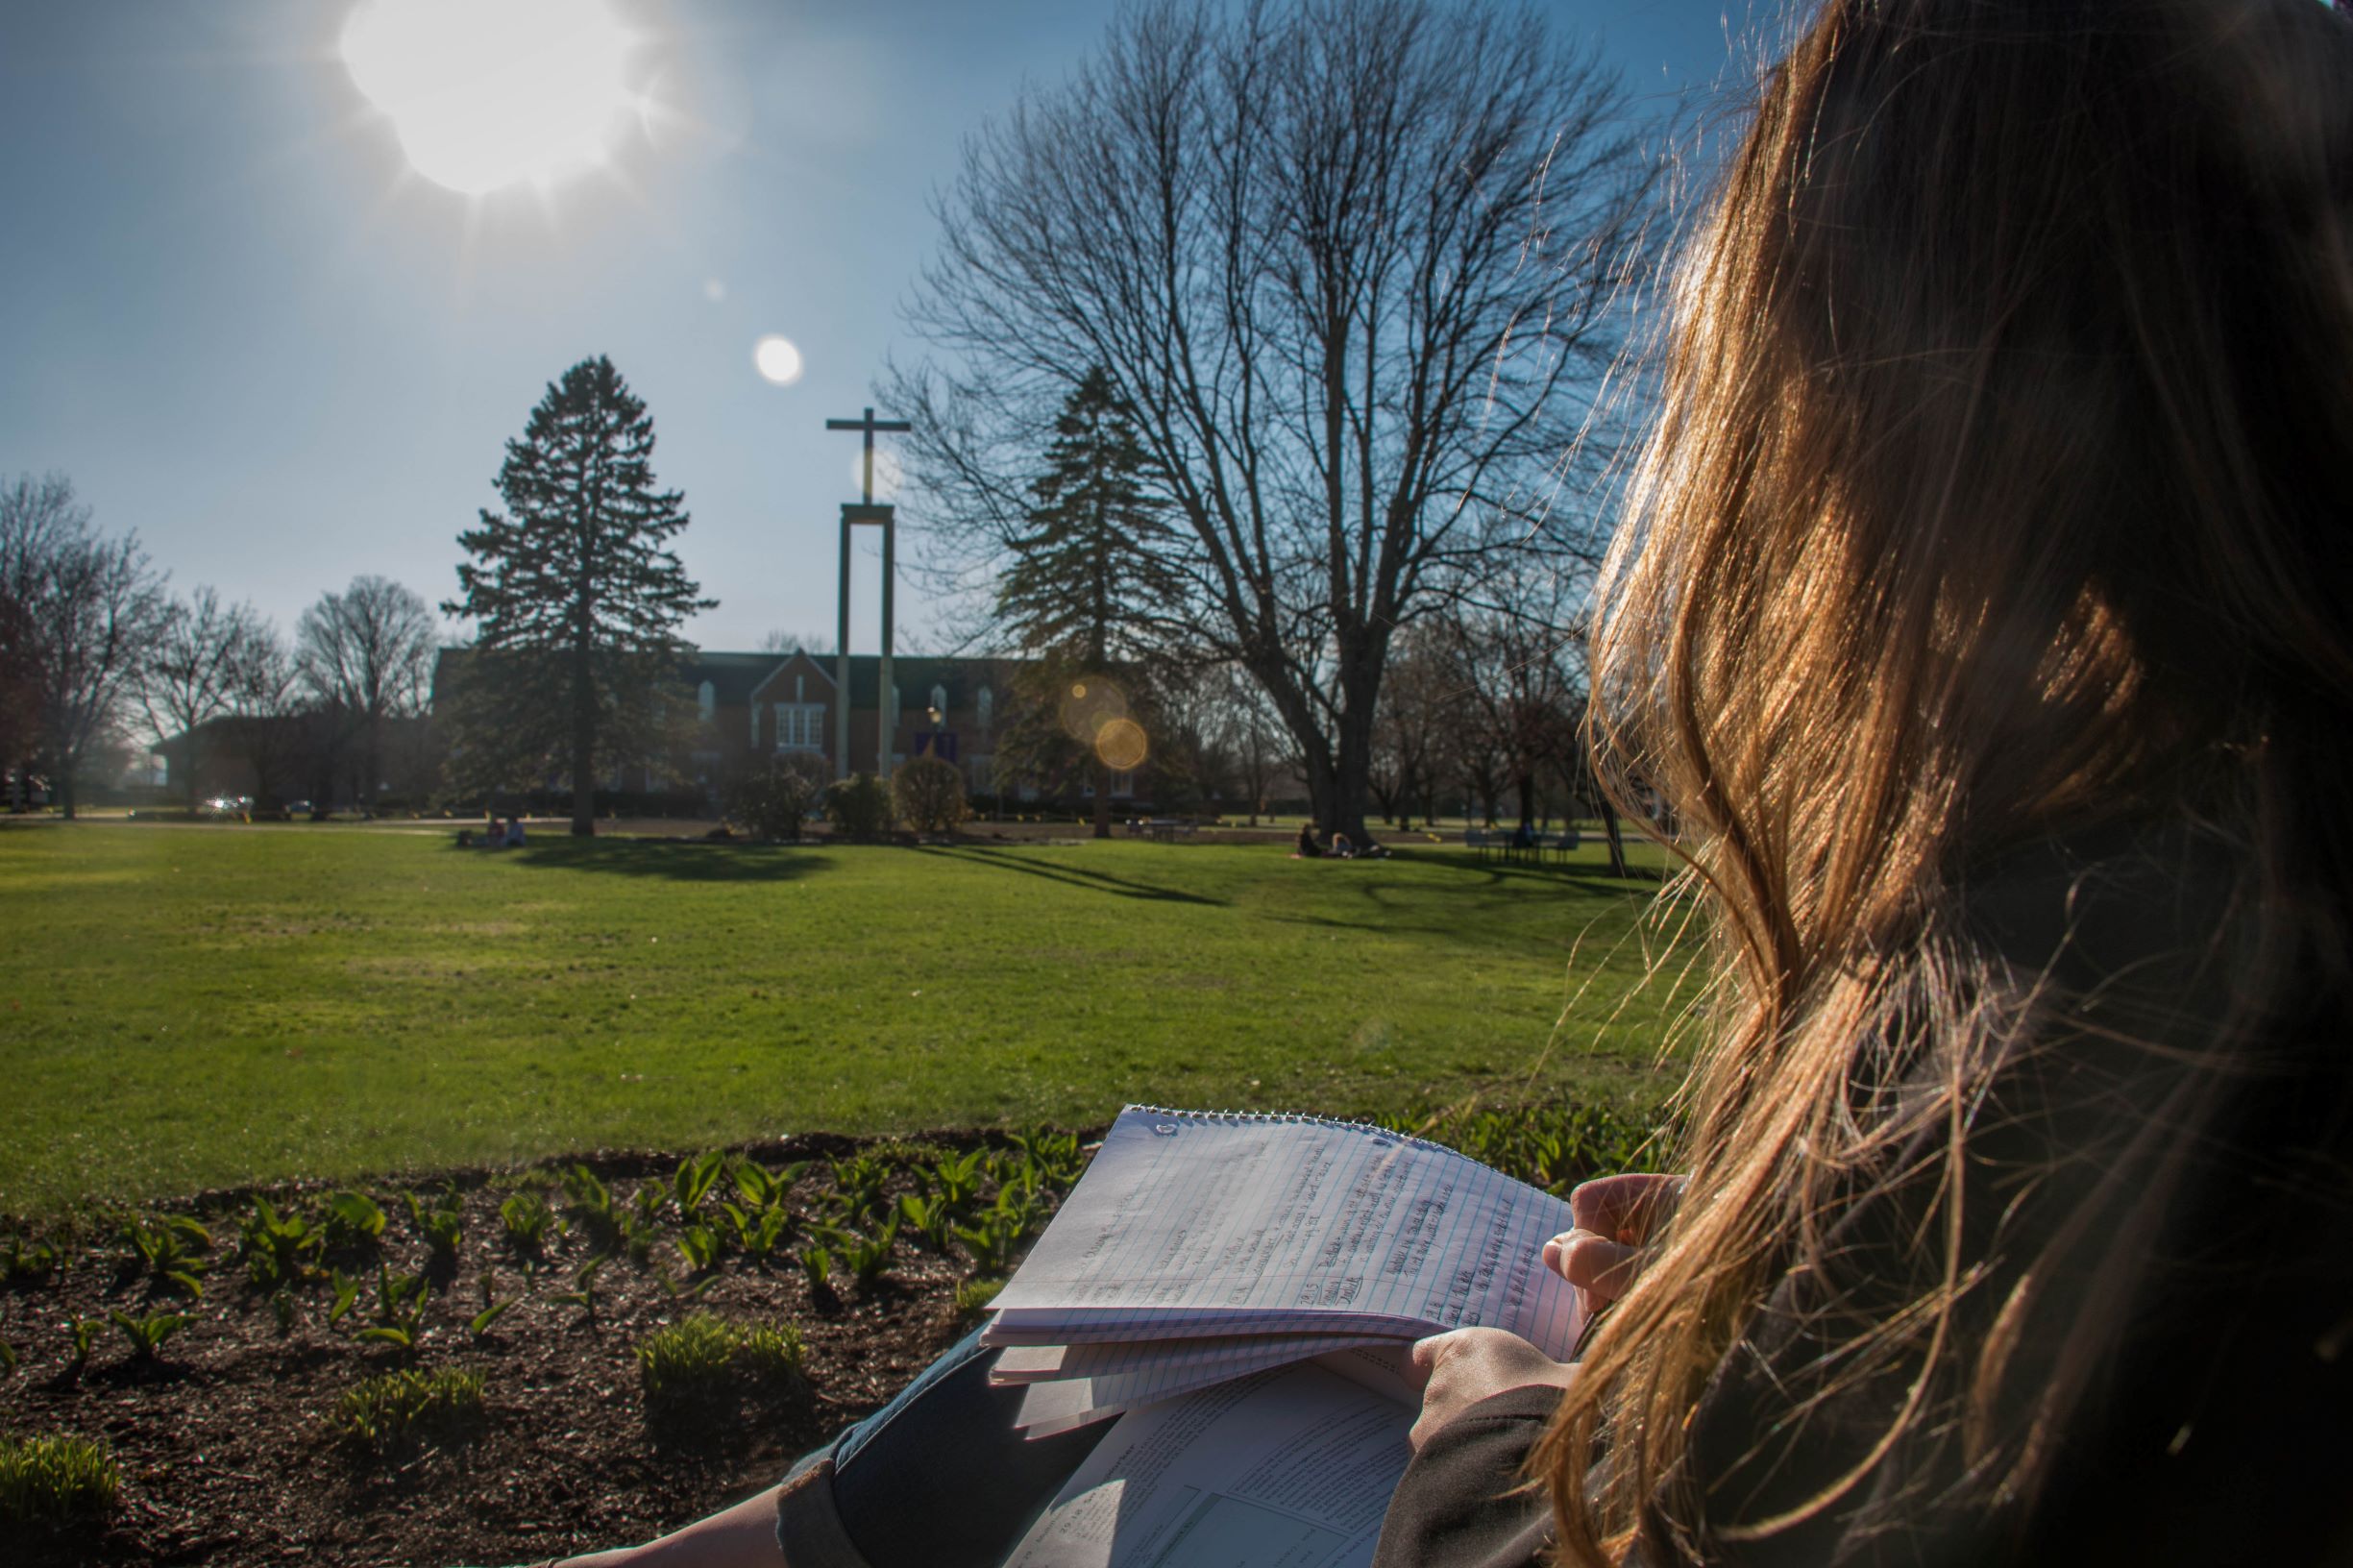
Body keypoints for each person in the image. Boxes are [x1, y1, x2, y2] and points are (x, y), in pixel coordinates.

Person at [507, 1, 2353, 1563]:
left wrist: (1505, 1426)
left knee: (1140, 1424)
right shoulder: (2197, 867)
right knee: (1112, 1353)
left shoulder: (2123, 955)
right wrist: (1761, 1268)